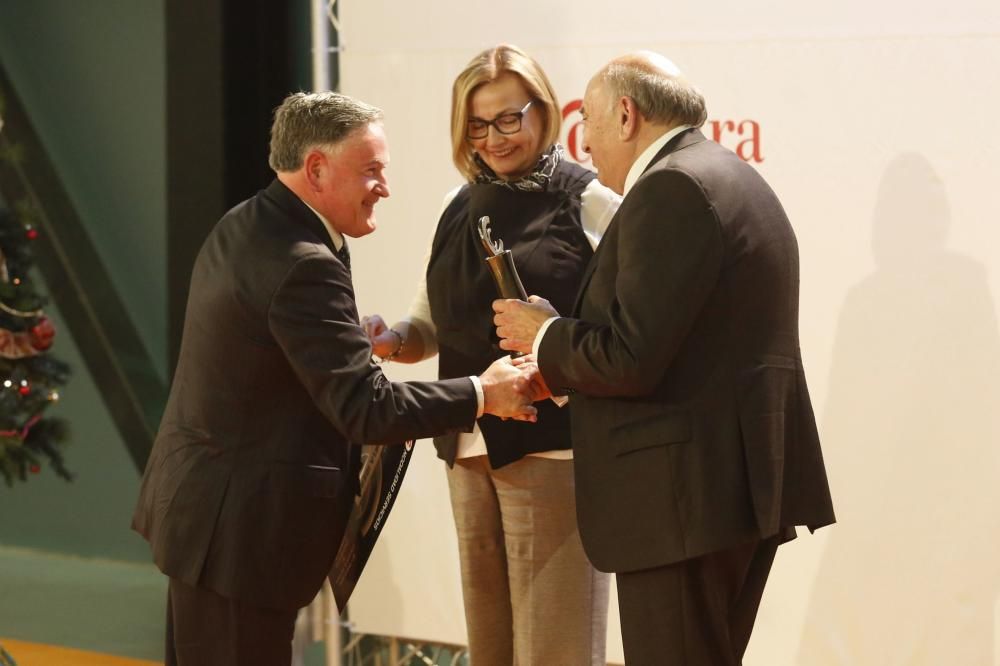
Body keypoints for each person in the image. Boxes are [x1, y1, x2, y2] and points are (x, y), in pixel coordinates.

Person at [131, 91, 538, 666]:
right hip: (239, 537)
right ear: (316, 168)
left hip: (211, 523)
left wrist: (346, 342)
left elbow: (274, 362)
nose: (385, 187)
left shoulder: (251, 222)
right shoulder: (304, 261)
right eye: (371, 170)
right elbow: (366, 409)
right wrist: (484, 393)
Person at [493, 52, 836, 665]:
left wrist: (544, 334)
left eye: (589, 125)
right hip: (724, 494)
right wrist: (563, 370)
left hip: (683, 506)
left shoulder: (672, 187)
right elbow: (684, 344)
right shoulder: (729, 175)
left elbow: (631, 355)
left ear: (626, 115)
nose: (587, 147)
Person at [361, 45, 618, 665]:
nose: (495, 137)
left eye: (509, 118)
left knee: (554, 646)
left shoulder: (590, 202)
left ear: (545, 112)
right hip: (466, 447)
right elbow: (430, 323)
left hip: (556, 450)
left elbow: (625, 333)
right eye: (478, 124)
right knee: (492, 648)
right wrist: (392, 342)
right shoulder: (458, 204)